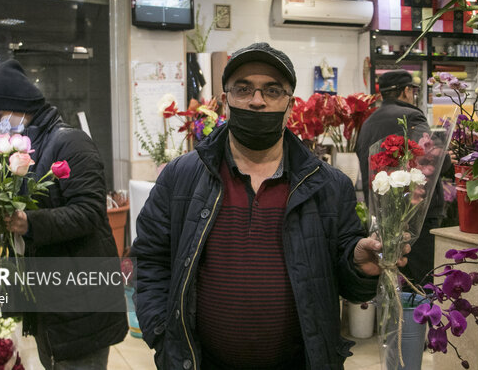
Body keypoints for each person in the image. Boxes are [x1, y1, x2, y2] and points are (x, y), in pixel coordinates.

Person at [132, 42, 410, 370]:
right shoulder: (181, 178)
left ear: (290, 105)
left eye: (272, 90)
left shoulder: (330, 186)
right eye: (243, 89)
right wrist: (162, 334)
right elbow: (149, 260)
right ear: (225, 102)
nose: (257, 100)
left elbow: (343, 277)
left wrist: (359, 266)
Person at [0, 59, 128, 369]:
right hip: (51, 297)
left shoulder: (70, 143)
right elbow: (20, 208)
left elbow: (89, 213)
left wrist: (29, 224)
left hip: (80, 299)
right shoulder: (28, 149)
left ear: (19, 106)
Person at [355, 69, 448, 285]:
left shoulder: (368, 123)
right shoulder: (412, 115)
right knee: (421, 281)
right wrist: (449, 159)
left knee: (390, 278)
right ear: (406, 91)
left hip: (382, 216)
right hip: (415, 216)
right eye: (412, 91)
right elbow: (430, 159)